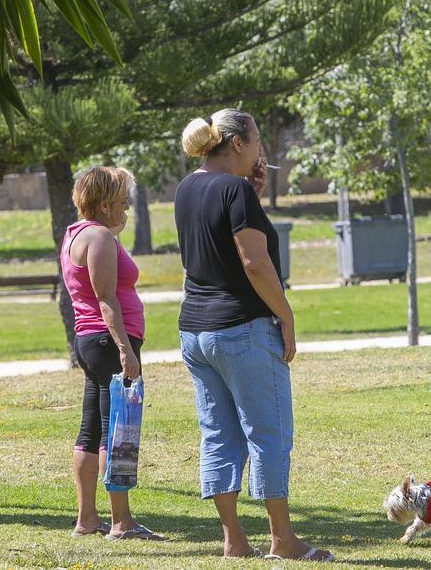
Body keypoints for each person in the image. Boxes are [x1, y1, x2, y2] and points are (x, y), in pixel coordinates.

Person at [173, 109, 333, 562]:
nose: (262, 152)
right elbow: (254, 263)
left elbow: (217, 243)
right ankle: (282, 540)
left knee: (218, 434)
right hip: (242, 328)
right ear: (238, 143)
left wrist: (253, 198)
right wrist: (286, 316)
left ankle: (234, 540)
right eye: (258, 142)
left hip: (196, 332)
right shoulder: (235, 188)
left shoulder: (188, 187)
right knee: (267, 432)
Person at [61, 165, 163, 541]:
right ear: (104, 204)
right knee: (114, 431)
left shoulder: (78, 233)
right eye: (122, 201)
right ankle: (121, 522)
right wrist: (125, 349)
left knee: (90, 431)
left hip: (90, 341)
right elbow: (105, 299)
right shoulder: (100, 238)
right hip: (108, 342)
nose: (127, 207)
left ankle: (87, 519)